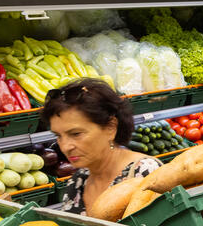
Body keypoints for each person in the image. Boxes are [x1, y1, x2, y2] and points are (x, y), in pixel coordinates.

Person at [43, 79, 162, 215]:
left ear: (110, 127)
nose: (65, 147)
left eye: (76, 134)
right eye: (58, 136)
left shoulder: (144, 173)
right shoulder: (78, 181)